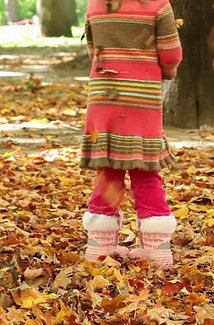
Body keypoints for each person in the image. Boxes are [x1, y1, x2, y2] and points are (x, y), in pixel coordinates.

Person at [81, 0, 182, 269]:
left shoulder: (96, 4)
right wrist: (167, 73)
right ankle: (157, 250)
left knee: (108, 168)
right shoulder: (158, 5)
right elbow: (171, 53)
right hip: (142, 97)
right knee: (145, 170)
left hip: (104, 96)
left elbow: (93, 50)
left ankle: (98, 248)